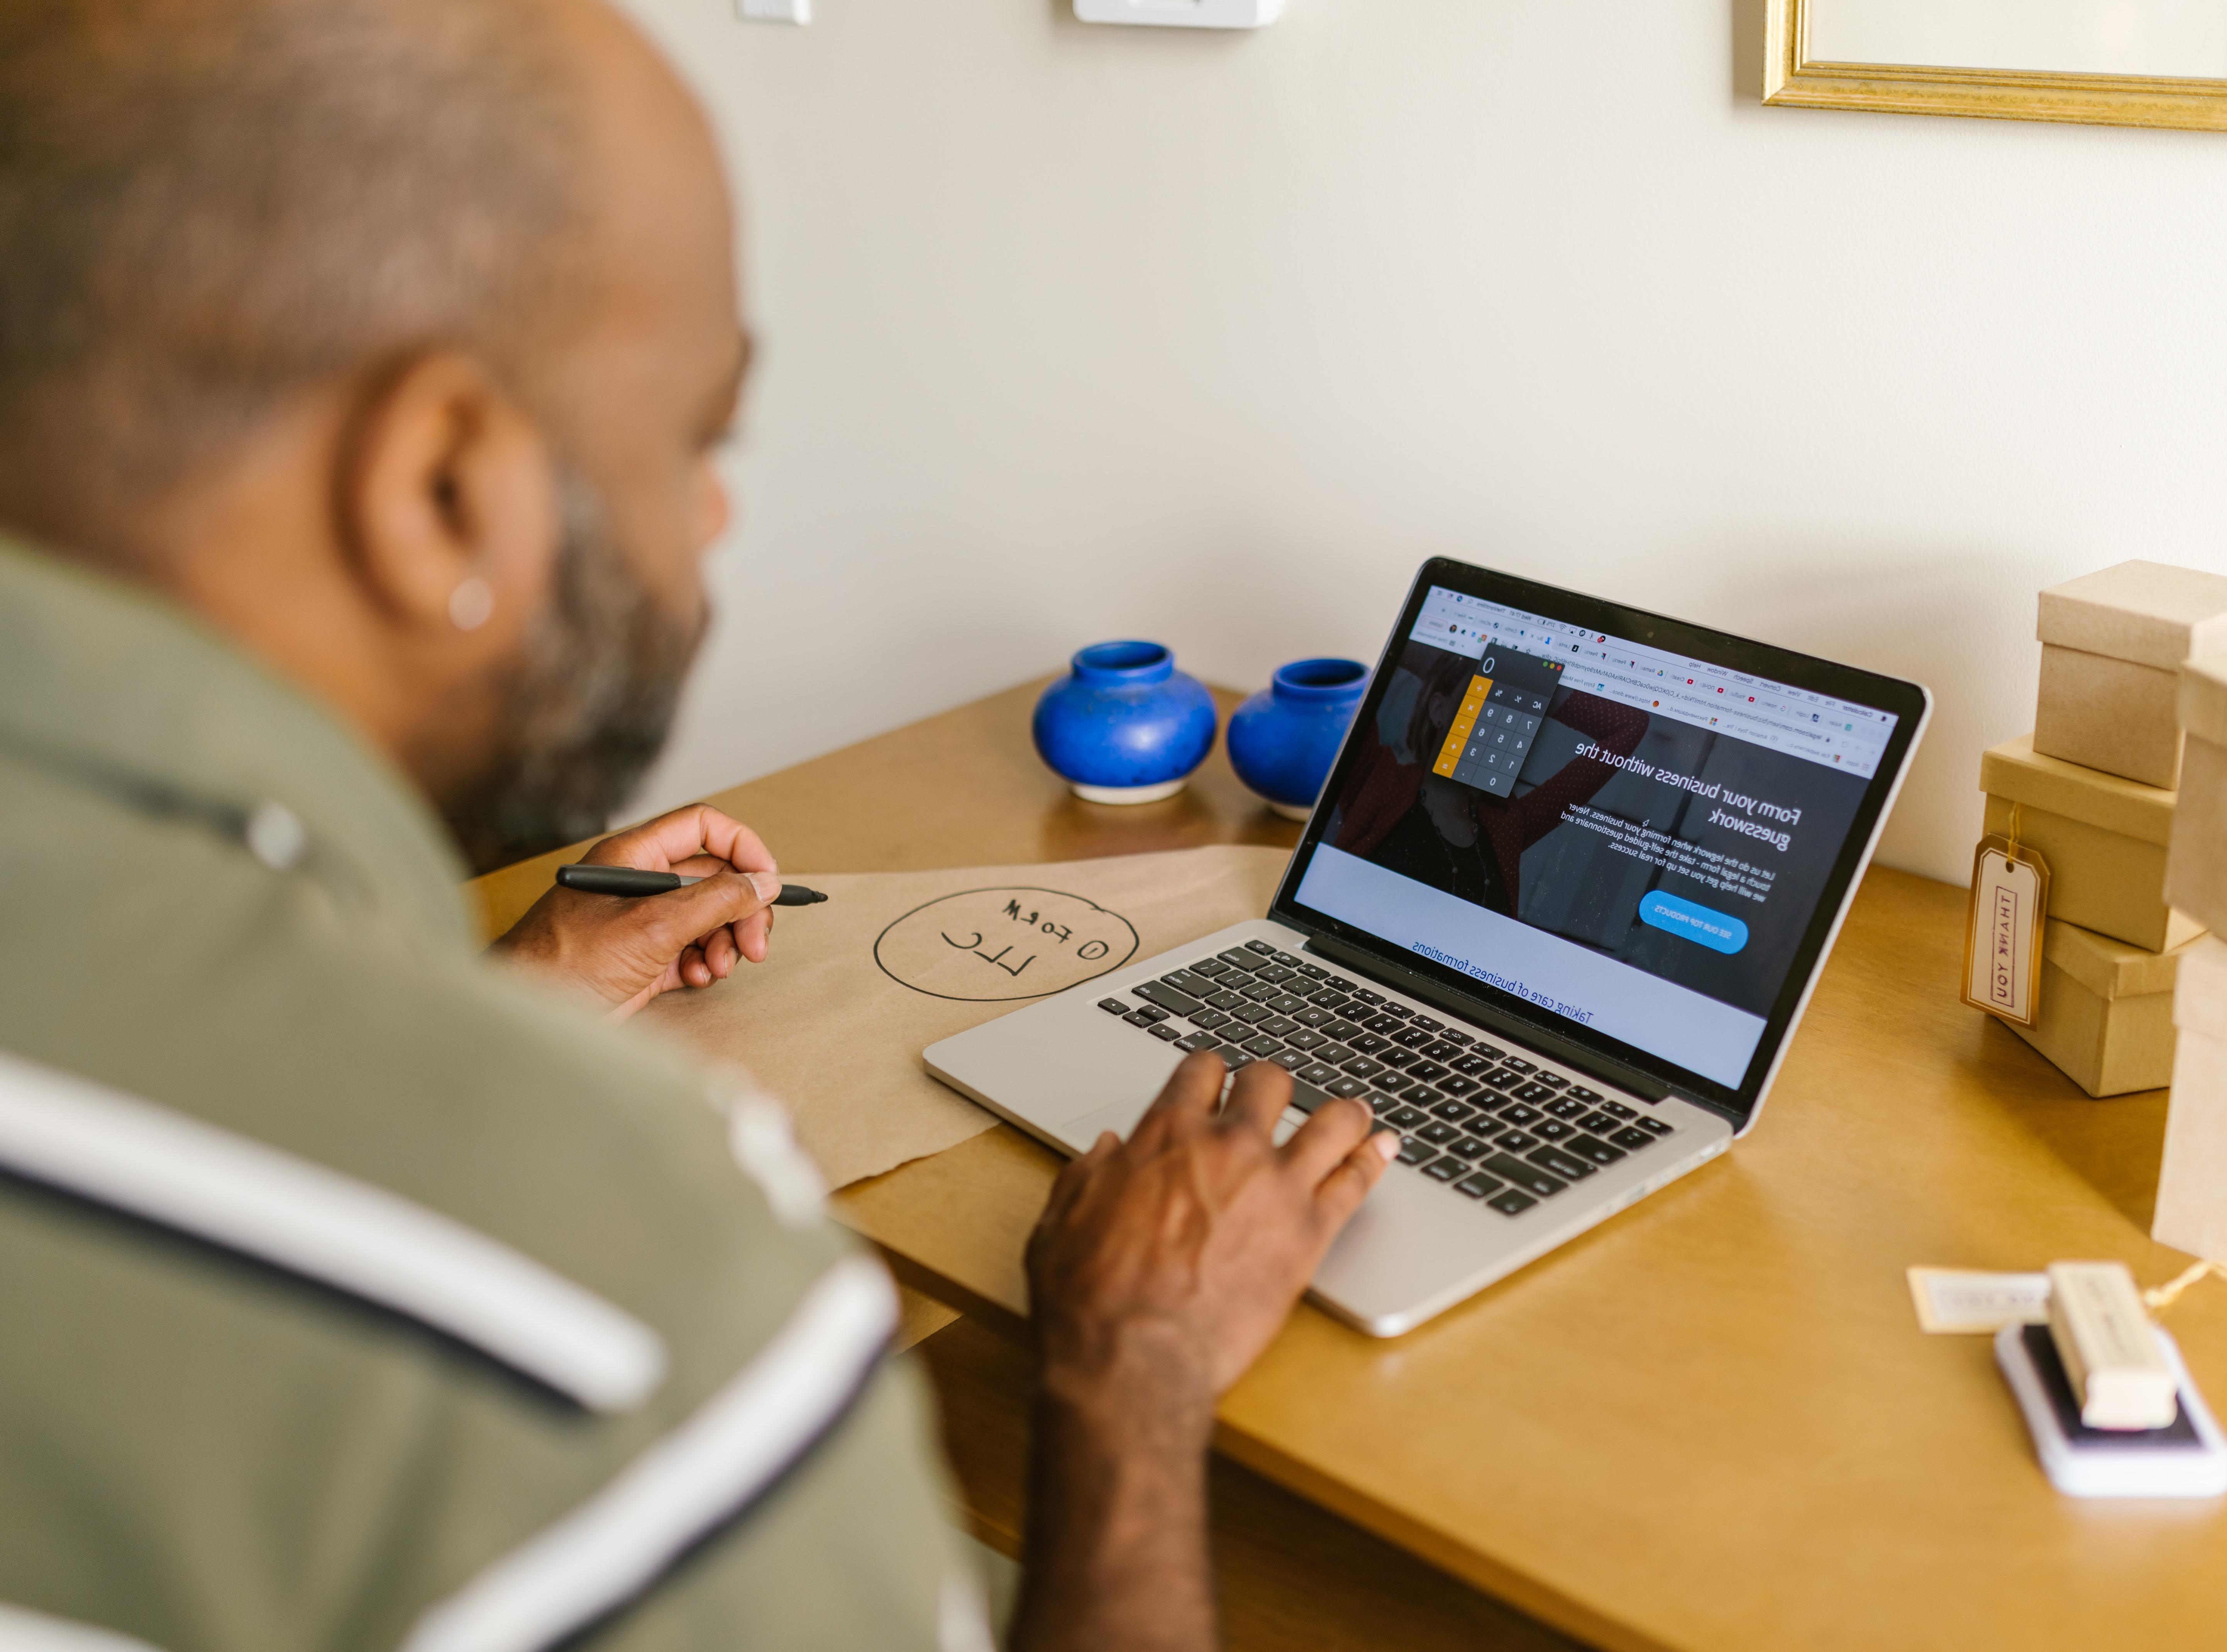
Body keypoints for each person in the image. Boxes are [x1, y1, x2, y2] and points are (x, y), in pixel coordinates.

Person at [0, 2, 1397, 1648]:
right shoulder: (604, 1285)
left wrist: (496, 1003)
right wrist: (1131, 1370)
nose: (714, 512)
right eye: (692, 439)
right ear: (439, 484)